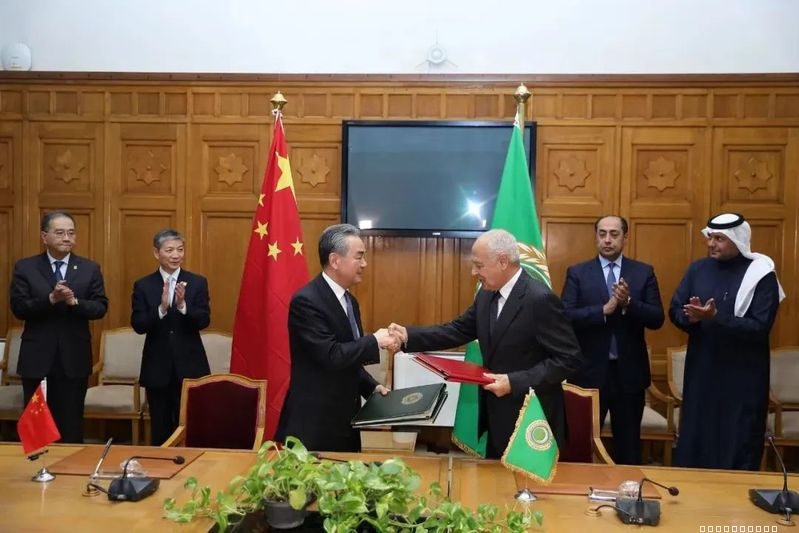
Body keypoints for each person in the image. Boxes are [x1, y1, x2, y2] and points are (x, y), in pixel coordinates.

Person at [389, 229, 584, 458]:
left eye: (479, 266)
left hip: (532, 418)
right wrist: (408, 336)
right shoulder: (486, 295)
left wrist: (514, 382)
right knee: (494, 478)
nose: (474, 272)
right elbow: (458, 330)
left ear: (503, 261)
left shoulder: (539, 299)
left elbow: (569, 359)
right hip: (497, 416)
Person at [669, 213, 784, 470]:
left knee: (737, 440)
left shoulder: (761, 275)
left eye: (719, 239)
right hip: (702, 372)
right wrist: (691, 318)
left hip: (742, 377)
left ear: (738, 240)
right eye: (710, 237)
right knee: (698, 437)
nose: (711, 244)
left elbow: (759, 327)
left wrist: (716, 318)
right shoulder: (697, 269)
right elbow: (675, 309)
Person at [276, 224, 397, 452]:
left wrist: (372, 388)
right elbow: (331, 355)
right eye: (359, 257)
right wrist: (374, 341)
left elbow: (350, 359)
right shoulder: (307, 301)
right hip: (314, 425)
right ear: (335, 260)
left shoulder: (350, 302)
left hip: (345, 422)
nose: (364, 264)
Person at [561, 215, 664, 465]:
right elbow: (565, 316)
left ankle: (629, 489)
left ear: (625, 238)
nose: (607, 240)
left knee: (628, 447)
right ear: (596, 236)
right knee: (581, 444)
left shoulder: (643, 272)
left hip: (629, 375)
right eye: (602, 234)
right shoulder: (578, 273)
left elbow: (657, 318)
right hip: (588, 374)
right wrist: (602, 311)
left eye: (614, 234)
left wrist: (629, 303)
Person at [10, 211, 108, 443]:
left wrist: (75, 302)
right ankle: (38, 464)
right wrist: (51, 299)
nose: (67, 238)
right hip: (37, 359)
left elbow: (100, 307)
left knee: (71, 426)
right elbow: (19, 308)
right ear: (44, 236)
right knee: (37, 429)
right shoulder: (26, 267)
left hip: (73, 358)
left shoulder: (89, 268)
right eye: (60, 233)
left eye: (71, 233)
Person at [131, 229, 211, 446]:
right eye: (169, 250)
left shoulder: (197, 282)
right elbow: (138, 325)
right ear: (157, 253)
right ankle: (160, 462)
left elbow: (204, 320)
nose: (176, 255)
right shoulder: (144, 285)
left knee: (190, 425)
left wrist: (183, 306)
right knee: (161, 427)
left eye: (180, 250)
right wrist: (161, 309)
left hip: (190, 365)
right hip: (158, 367)